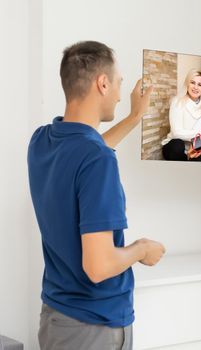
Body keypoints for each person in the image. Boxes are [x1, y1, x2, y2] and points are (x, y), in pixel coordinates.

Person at [27, 41, 166, 350]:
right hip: (94, 327)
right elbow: (99, 266)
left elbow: (88, 148)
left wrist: (133, 118)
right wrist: (142, 249)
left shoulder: (42, 140)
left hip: (56, 319)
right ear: (102, 83)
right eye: (118, 83)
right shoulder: (97, 160)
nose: (119, 93)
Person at [161, 69, 201, 161]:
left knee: (199, 161)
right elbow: (176, 133)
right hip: (174, 146)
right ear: (187, 84)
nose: (195, 87)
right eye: (192, 82)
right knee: (177, 145)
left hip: (194, 147)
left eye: (200, 85)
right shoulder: (177, 101)